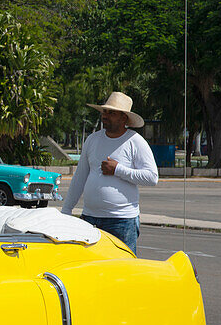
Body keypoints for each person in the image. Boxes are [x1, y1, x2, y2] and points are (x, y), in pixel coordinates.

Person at [61, 91, 158, 253]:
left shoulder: (135, 141)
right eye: (104, 112)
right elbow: (80, 177)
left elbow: (152, 177)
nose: (105, 116)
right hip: (89, 218)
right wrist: (66, 211)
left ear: (123, 118)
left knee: (122, 270)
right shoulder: (92, 140)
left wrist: (118, 169)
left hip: (122, 221)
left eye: (111, 113)